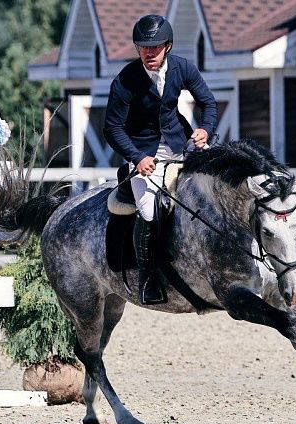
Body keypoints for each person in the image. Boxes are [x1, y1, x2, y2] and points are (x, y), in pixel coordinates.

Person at [104, 14, 217, 305]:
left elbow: (208, 102)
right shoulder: (125, 80)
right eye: (143, 47)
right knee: (151, 211)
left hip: (182, 144)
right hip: (143, 153)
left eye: (155, 47)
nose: (148, 53)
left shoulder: (182, 67)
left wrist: (205, 129)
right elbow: (112, 127)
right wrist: (137, 157)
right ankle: (148, 277)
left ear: (168, 46)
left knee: (217, 189)